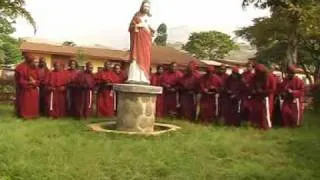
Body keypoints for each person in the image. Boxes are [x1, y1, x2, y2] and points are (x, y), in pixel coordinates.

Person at [127, 0, 155, 84]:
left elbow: (151, 29)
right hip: (138, 40)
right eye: (145, 6)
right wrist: (137, 25)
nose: (146, 8)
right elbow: (130, 28)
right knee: (136, 57)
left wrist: (152, 30)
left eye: (148, 7)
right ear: (142, 6)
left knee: (145, 57)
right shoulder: (136, 16)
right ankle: (134, 77)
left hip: (146, 40)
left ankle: (143, 78)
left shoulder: (150, 17)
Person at [249, 64, 276, 129]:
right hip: (257, 97)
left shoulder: (270, 77)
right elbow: (251, 85)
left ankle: (267, 125)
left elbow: (273, 89)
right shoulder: (255, 77)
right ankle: (257, 125)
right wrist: (253, 90)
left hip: (267, 97)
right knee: (257, 111)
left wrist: (263, 91)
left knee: (266, 111)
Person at [16, 55, 40, 119]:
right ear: (29, 62)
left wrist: (35, 83)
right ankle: (25, 115)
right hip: (26, 90)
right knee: (25, 103)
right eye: (34, 62)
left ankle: (34, 115)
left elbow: (39, 80)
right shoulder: (22, 68)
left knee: (33, 103)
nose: (35, 63)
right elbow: (21, 81)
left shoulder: (36, 69)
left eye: (36, 62)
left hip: (34, 89)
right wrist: (29, 82)